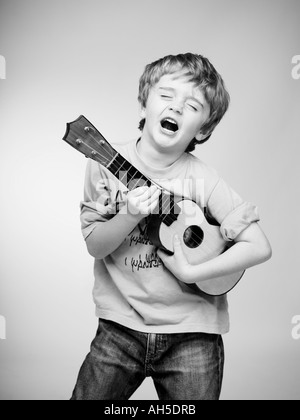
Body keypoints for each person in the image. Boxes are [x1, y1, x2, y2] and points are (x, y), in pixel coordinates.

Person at [71, 53, 272, 400]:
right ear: (143, 106)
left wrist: (195, 272)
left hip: (194, 335)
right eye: (166, 95)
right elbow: (95, 246)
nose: (176, 108)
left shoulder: (204, 178)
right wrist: (130, 214)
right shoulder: (103, 166)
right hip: (119, 328)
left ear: (205, 128)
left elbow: (259, 246)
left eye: (192, 105)